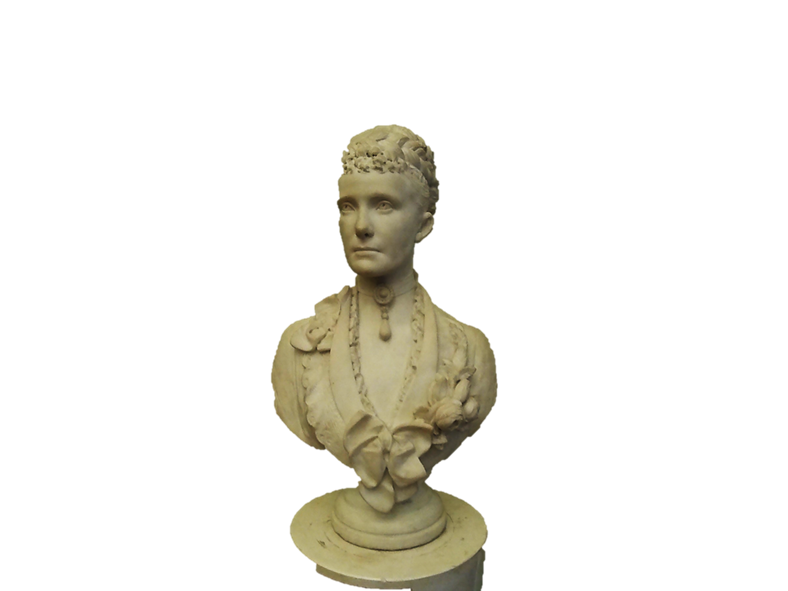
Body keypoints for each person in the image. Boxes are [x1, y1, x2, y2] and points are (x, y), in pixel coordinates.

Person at [271, 124, 498, 519]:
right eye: (348, 206)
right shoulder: (298, 346)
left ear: (423, 226)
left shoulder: (470, 349)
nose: (361, 226)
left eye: (384, 205)